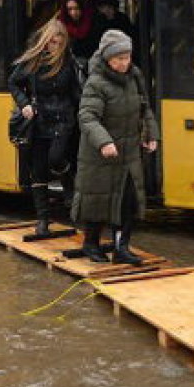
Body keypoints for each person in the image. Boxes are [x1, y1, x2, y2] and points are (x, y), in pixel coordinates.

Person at [73, 29, 160, 265]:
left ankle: (122, 247)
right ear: (108, 58)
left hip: (129, 152)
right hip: (101, 154)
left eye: (127, 57)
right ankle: (91, 244)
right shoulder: (96, 83)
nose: (125, 63)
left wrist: (151, 134)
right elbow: (87, 116)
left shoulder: (135, 76)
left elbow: (145, 108)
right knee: (98, 200)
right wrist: (104, 141)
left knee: (128, 201)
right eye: (119, 58)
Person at [9, 19, 82, 236]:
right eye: (51, 42)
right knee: (38, 170)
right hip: (39, 120)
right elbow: (13, 82)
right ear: (44, 41)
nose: (54, 47)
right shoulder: (33, 61)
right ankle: (43, 218)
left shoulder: (69, 62)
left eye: (59, 43)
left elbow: (76, 92)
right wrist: (24, 105)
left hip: (63, 118)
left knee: (56, 158)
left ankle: (69, 185)